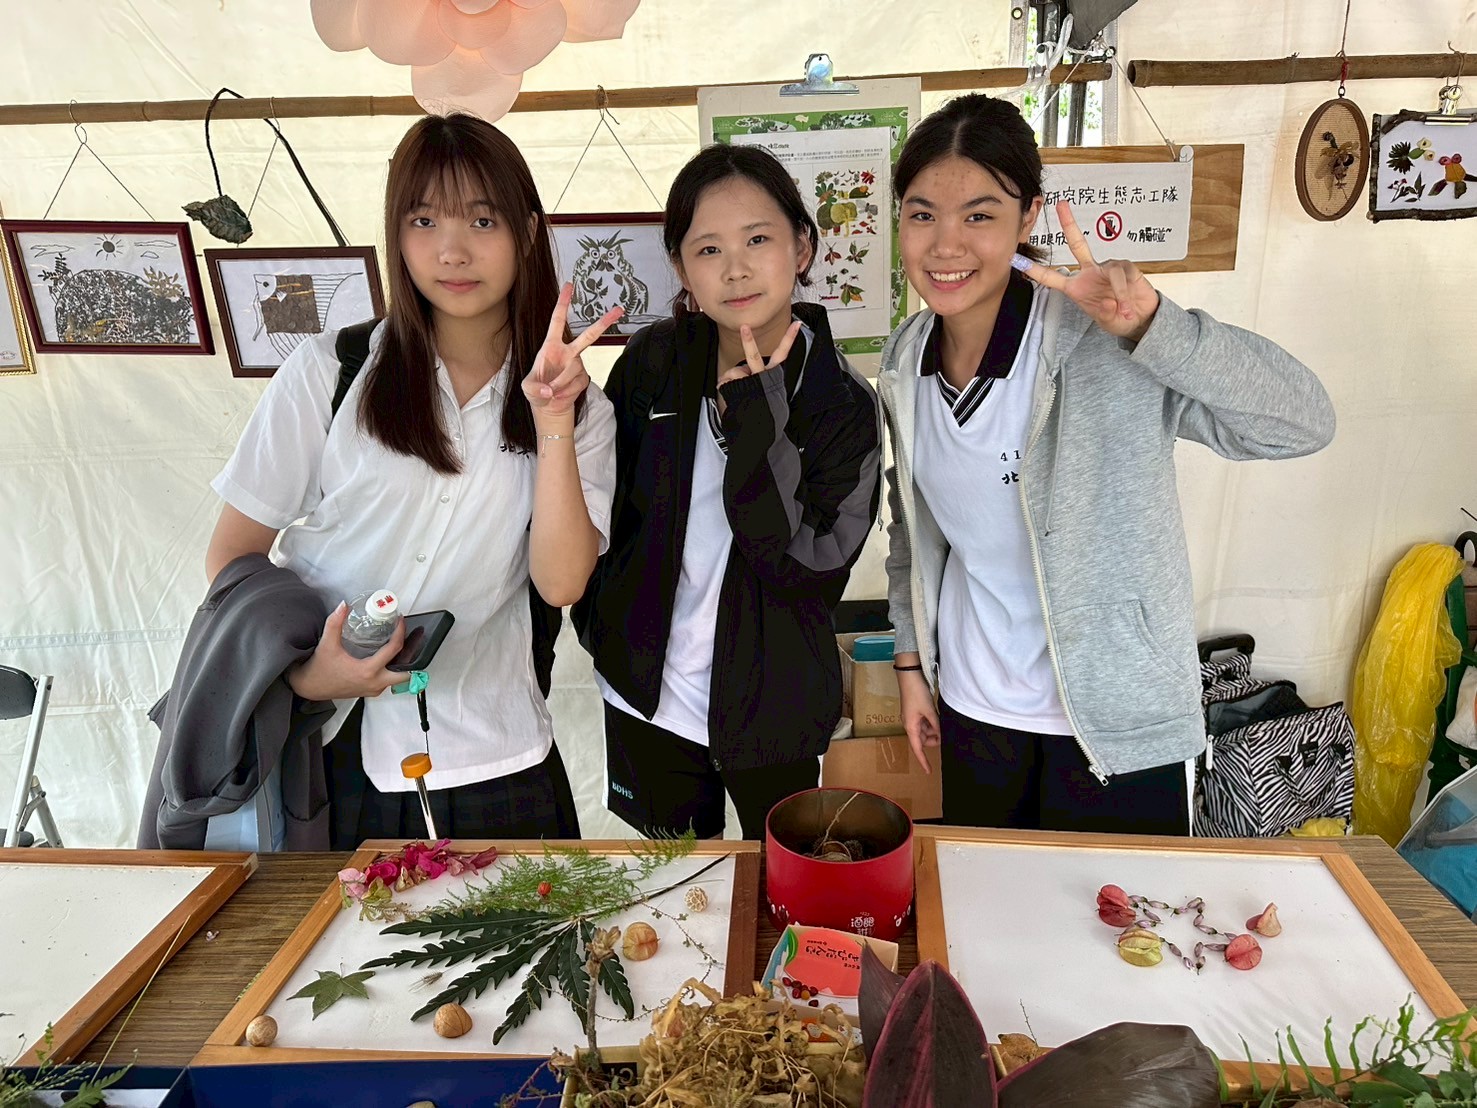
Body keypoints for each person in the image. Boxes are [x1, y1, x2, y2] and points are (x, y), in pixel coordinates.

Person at [879, 94, 1335, 835]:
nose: (945, 245)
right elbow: (912, 532)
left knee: (1123, 909)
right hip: (975, 710)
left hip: (1118, 721)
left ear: (1028, 217)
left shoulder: (1104, 338)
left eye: (980, 215)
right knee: (991, 903)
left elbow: (1301, 423)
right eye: (922, 214)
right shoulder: (906, 357)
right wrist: (909, 666)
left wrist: (1156, 327)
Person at [205, 113, 623, 844]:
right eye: (423, 220)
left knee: (524, 922)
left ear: (527, 233)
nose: (452, 251)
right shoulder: (331, 373)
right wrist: (309, 675)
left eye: (482, 221)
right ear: (396, 235)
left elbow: (561, 584)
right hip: (327, 743)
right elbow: (233, 555)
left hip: (494, 748)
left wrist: (553, 421)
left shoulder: (578, 407)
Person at [575, 143, 882, 840]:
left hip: (772, 709)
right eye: (708, 249)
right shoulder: (651, 363)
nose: (735, 268)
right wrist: (605, 628)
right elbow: (602, 508)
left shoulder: (841, 403)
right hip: (646, 696)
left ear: (802, 246)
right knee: (678, 887)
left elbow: (807, 568)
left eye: (757, 240)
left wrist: (756, 417)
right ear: (681, 266)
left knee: (777, 881)